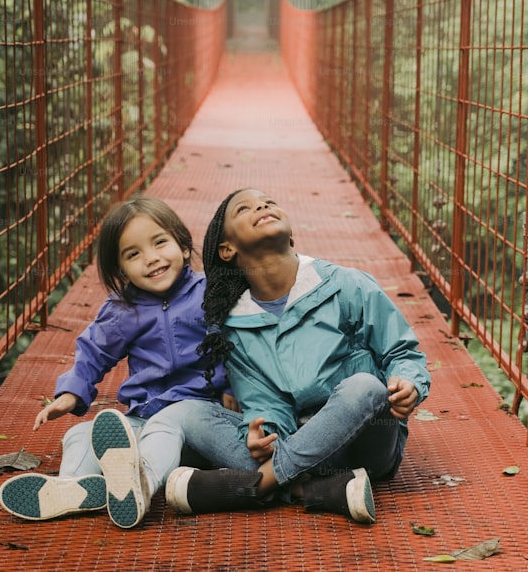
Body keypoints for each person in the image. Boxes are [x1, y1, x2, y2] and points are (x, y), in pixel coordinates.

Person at [165, 189, 431, 524]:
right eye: (244, 209)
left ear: (290, 235)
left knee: (364, 386)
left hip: (364, 445)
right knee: (191, 414)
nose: (262, 205)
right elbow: (264, 403)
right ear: (227, 249)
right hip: (300, 446)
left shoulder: (346, 285)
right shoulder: (236, 328)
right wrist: (262, 433)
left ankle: (261, 485)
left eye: (269, 201)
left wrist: (409, 382)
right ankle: (313, 490)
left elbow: (402, 352)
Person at [0, 194, 235, 529]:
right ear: (120, 269)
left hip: (200, 417)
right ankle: (73, 486)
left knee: (170, 425)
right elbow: (94, 349)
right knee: (84, 433)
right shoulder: (125, 309)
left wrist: (232, 387)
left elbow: (238, 343)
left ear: (183, 247)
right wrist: (71, 393)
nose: (151, 259)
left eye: (159, 243)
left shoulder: (209, 293)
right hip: (146, 413)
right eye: (133, 254)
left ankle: (142, 482)